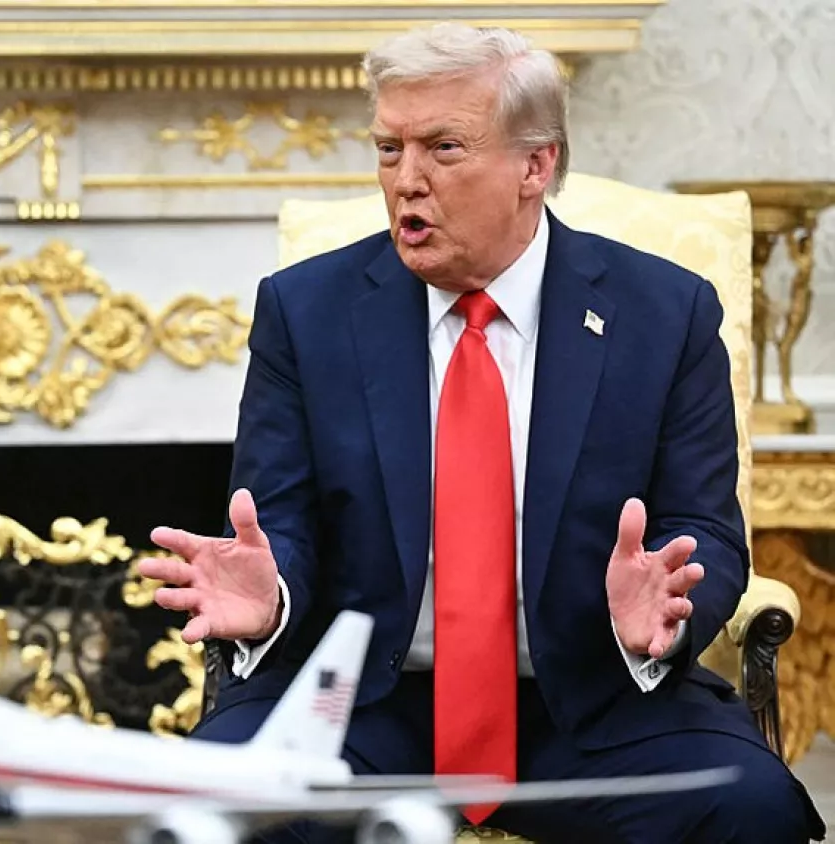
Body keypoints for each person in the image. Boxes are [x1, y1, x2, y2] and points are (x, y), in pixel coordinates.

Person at [140, 22, 826, 844]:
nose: (407, 180)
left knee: (751, 808)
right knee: (209, 808)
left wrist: (664, 613)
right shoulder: (306, 310)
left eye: (443, 148)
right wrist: (273, 594)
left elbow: (703, 527)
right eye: (389, 149)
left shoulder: (664, 313)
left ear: (536, 165)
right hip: (361, 703)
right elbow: (278, 521)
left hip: (594, 697)